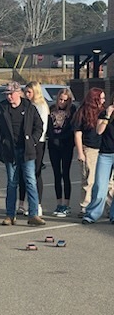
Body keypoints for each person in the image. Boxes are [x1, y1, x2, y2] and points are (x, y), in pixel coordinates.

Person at [0, 81, 46, 226]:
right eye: (7, 94)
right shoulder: (1, 109)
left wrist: (33, 140)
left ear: (19, 93)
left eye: (11, 94)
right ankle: (10, 215)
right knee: (12, 183)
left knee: (30, 181)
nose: (9, 97)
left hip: (27, 151)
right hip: (10, 151)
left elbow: (39, 126)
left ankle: (33, 215)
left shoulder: (29, 108)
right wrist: (1, 139)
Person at [72, 88, 106, 217]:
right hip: (89, 149)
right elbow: (78, 134)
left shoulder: (104, 111)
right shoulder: (83, 112)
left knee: (106, 181)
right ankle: (85, 206)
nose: (103, 101)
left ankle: (108, 207)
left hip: (103, 149)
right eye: (101, 98)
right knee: (89, 180)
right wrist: (80, 153)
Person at [18, 81, 49, 217]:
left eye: (29, 92)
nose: (27, 95)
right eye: (26, 92)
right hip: (25, 143)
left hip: (37, 143)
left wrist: (33, 141)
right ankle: (22, 203)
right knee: (23, 174)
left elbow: (41, 128)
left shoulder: (40, 106)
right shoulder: (26, 105)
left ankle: (38, 204)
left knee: (35, 173)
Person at [82, 94, 114, 224]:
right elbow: (99, 131)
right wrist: (107, 115)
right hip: (105, 154)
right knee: (100, 186)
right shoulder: (104, 113)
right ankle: (91, 215)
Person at [48, 88, 76, 217]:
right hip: (53, 145)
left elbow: (71, 128)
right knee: (56, 175)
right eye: (60, 99)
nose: (62, 102)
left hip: (66, 145)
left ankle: (66, 204)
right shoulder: (52, 109)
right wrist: (53, 138)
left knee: (65, 173)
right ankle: (59, 203)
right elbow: (48, 127)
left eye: (65, 100)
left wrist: (62, 139)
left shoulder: (72, 110)